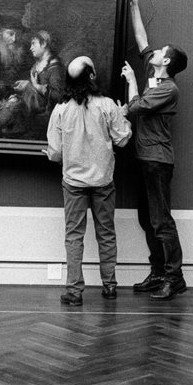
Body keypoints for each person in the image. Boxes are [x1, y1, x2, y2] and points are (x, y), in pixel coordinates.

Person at [46, 56, 132, 306]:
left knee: (74, 236)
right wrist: (124, 116)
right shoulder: (107, 105)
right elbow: (123, 139)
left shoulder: (60, 109)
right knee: (106, 233)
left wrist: (53, 154)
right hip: (103, 181)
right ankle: (110, 286)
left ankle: (74, 292)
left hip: (73, 183)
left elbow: (55, 153)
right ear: (92, 76)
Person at [121, 0, 190, 301]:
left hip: (157, 161)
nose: (156, 51)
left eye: (161, 52)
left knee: (161, 221)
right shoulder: (154, 72)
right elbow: (141, 38)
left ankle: (175, 278)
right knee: (146, 219)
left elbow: (135, 107)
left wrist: (131, 82)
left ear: (167, 62)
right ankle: (158, 272)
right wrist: (135, 5)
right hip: (144, 158)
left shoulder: (169, 89)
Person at [15, 30, 66, 138]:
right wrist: (27, 84)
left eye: (33, 43)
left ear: (44, 44)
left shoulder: (55, 68)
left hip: (47, 119)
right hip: (32, 116)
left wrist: (35, 86)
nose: (30, 48)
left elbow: (58, 95)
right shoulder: (37, 65)